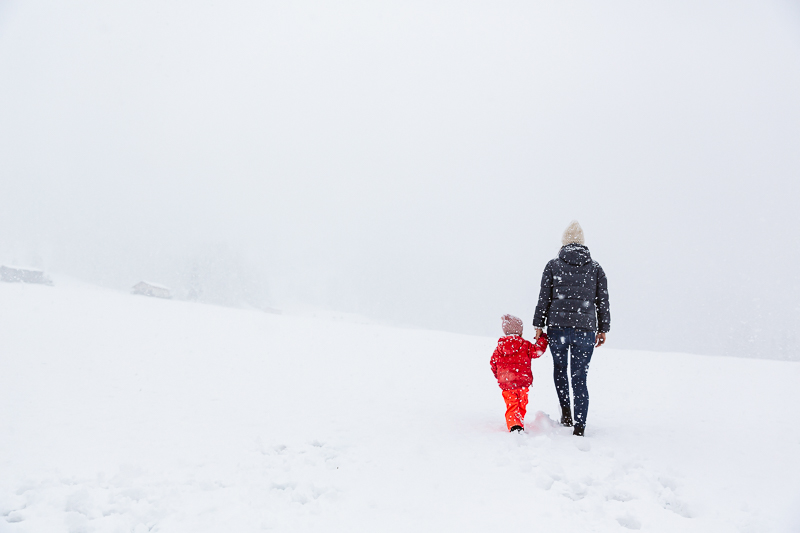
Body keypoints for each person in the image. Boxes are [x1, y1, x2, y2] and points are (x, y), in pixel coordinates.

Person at [533, 221, 610, 437]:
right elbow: (602, 301)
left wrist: (539, 325)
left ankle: (566, 413)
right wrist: (603, 328)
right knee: (579, 376)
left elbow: (543, 299)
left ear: (564, 243)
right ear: (583, 243)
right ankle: (580, 426)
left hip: (557, 329)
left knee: (560, 369)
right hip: (585, 330)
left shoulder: (553, 266)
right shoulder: (595, 268)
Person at [490, 314, 548, 432]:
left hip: (507, 384)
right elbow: (538, 351)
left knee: (512, 404)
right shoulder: (525, 345)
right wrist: (543, 339)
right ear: (520, 332)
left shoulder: (499, 348)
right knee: (522, 404)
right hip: (522, 382)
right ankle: (516, 425)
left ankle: (515, 424)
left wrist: (500, 376)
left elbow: (493, 364)